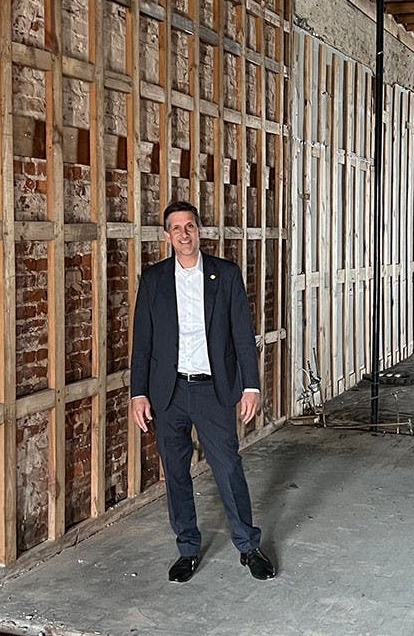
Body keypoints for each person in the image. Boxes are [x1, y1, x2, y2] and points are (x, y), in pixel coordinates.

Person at [129, 200, 276, 582]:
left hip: (213, 391)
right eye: (176, 228)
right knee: (176, 472)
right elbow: (142, 342)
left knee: (228, 468)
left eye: (190, 226)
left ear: (199, 230)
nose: (184, 234)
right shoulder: (154, 279)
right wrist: (138, 393)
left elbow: (243, 335)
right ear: (167, 236)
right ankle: (188, 549)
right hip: (170, 392)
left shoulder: (224, 275)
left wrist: (250, 386)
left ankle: (248, 546)